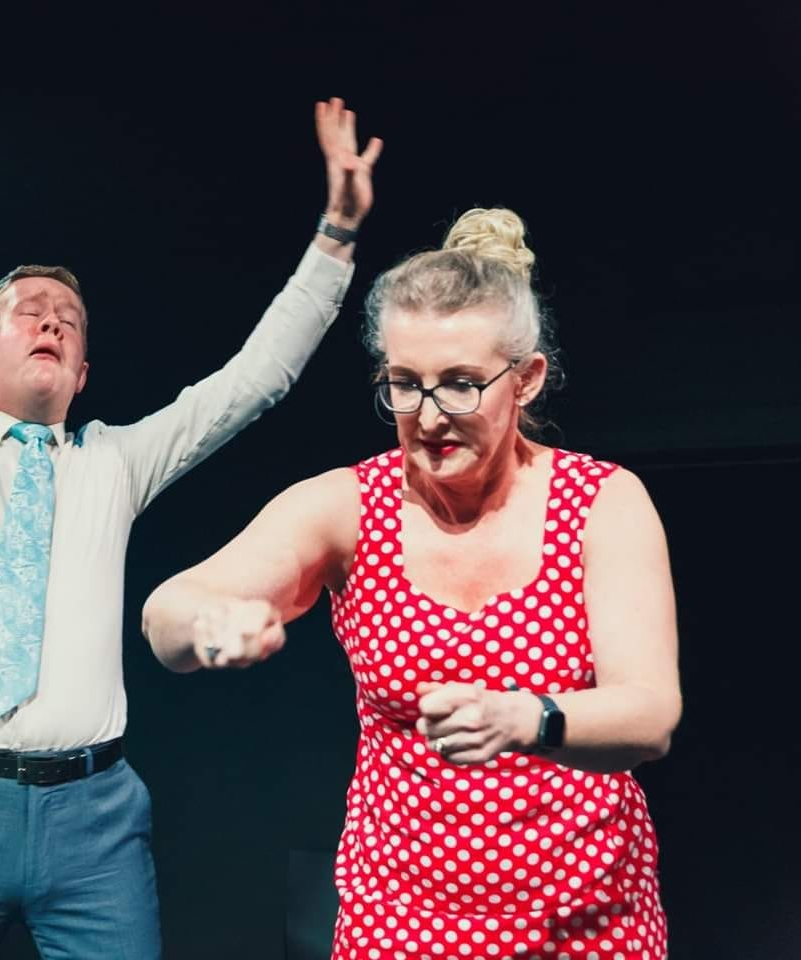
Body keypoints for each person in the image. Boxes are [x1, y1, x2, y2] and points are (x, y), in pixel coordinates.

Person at [0, 42, 380, 958]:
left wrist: (336, 236)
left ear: (84, 371)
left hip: (94, 821)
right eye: (30, 309)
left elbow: (256, 379)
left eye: (68, 318)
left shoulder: (113, 462)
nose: (51, 318)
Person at [141, 209, 679, 958]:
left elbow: (649, 714)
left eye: (460, 385)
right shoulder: (348, 507)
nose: (428, 417)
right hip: (399, 920)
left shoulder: (602, 504)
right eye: (404, 385)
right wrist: (206, 624)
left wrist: (527, 718)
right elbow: (165, 615)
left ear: (525, 380)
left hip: (583, 916)